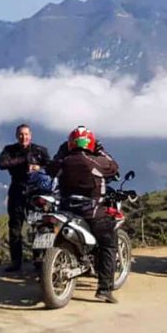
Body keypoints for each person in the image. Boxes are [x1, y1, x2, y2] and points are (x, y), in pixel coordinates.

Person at [47, 126, 121, 303]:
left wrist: (61, 153)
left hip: (66, 211)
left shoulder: (63, 162)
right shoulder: (95, 161)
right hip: (92, 213)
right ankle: (105, 288)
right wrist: (101, 150)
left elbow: (50, 168)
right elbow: (113, 166)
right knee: (108, 244)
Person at [0, 123, 51, 272]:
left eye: (26, 134)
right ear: (17, 136)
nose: (24, 137)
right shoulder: (10, 150)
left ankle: (39, 260)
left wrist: (38, 167)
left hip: (36, 192)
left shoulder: (40, 150)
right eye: (21, 134)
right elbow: (2, 164)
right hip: (17, 189)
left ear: (31, 135)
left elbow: (53, 166)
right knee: (15, 227)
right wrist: (23, 160)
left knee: (39, 226)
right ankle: (16, 262)